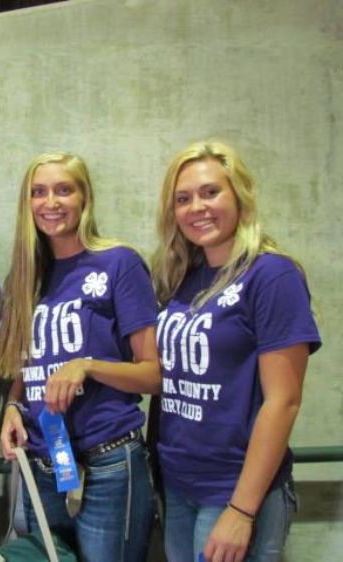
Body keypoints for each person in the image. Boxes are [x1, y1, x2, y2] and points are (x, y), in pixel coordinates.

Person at [151, 140, 321, 562]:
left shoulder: (272, 275)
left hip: (233, 492)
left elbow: (284, 401)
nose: (197, 208)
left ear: (239, 195)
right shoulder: (184, 277)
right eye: (184, 199)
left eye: (211, 192)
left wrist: (242, 509)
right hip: (178, 485)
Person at [0, 152, 160, 561]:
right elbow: (28, 363)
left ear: (84, 198)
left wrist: (87, 365)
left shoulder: (118, 263)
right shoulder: (26, 275)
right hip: (42, 462)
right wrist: (14, 405)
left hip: (108, 463)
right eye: (39, 192)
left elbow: (154, 375)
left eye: (63, 190)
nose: (51, 202)